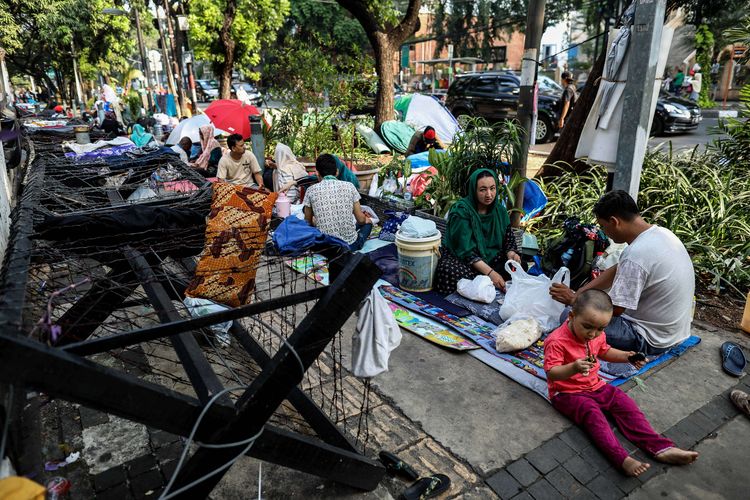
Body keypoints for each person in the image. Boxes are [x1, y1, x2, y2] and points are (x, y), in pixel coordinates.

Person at [544, 289, 699, 477]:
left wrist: (628, 357)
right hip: (567, 393)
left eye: (601, 328)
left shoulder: (597, 335)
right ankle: (621, 459)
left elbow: (604, 351)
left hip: (596, 386)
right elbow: (552, 374)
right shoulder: (556, 341)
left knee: (625, 404)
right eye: (587, 327)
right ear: (571, 316)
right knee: (593, 415)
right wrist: (574, 368)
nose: (593, 334)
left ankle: (660, 448)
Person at [550, 190, 695, 355]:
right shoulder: (661, 234)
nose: (605, 232)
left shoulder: (636, 254)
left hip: (650, 339)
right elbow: (617, 269)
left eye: (604, 226)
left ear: (614, 221)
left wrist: (574, 301)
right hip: (676, 333)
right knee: (584, 306)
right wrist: (580, 292)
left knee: (570, 317)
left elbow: (615, 310)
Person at [434, 169, 520, 295]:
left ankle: (483, 285)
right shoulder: (461, 211)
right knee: (448, 271)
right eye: (483, 189)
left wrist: (511, 253)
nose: (489, 194)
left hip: (491, 259)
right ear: (474, 190)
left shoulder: (500, 211)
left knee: (519, 266)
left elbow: (508, 240)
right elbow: (466, 251)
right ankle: (485, 284)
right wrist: (491, 274)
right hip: (465, 261)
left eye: (492, 188)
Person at [303, 153, 372, 251]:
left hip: (324, 248)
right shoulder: (350, 186)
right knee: (367, 224)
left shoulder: (311, 190)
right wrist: (366, 220)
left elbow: (307, 223)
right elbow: (360, 220)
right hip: (349, 246)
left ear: (317, 173)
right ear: (337, 172)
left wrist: (316, 222)